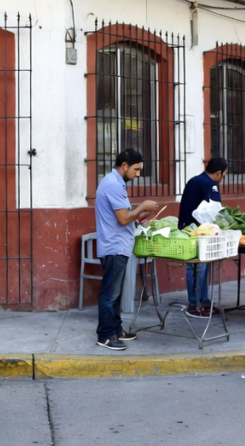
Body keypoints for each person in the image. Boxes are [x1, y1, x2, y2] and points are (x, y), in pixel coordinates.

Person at [95, 148, 160, 351]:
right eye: (136, 169)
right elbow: (123, 218)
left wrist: (139, 217)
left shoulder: (115, 182)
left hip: (118, 246)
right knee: (110, 295)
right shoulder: (113, 184)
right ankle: (105, 336)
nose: (138, 174)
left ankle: (116, 330)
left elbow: (124, 216)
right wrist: (142, 207)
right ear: (124, 166)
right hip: (114, 247)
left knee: (116, 294)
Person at [177, 157, 228, 317]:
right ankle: (201, 303)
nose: (223, 179)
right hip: (199, 231)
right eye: (224, 175)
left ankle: (194, 302)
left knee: (192, 266)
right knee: (201, 265)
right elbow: (216, 210)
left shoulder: (194, 180)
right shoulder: (209, 184)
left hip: (186, 228)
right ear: (219, 173)